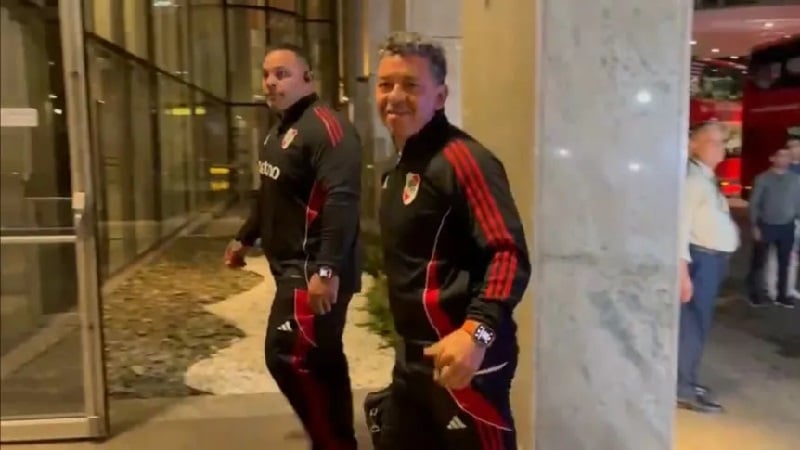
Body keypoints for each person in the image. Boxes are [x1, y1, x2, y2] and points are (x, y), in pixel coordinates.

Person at [363, 32, 530, 450]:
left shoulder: (465, 161)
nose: (394, 96)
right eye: (385, 84)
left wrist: (476, 334)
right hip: (413, 365)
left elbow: (508, 255)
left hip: (466, 366)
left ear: (440, 96)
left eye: (410, 85)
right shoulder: (397, 168)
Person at [224, 43, 362, 450]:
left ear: (307, 78)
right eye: (267, 74)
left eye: (282, 74)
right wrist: (245, 236)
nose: (270, 82)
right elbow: (271, 194)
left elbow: (342, 202)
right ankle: (338, 439)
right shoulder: (279, 130)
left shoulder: (328, 129)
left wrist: (326, 269)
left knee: (286, 355)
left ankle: (333, 444)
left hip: (312, 270)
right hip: (293, 268)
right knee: (323, 358)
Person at [677, 121, 740, 414]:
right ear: (694, 145)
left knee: (697, 325)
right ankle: (683, 388)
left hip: (710, 261)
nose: (721, 149)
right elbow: (680, 228)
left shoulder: (705, 177)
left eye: (722, 143)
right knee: (693, 326)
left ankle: (687, 380)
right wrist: (683, 274)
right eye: (714, 142)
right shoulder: (693, 180)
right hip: (701, 261)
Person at [747, 147, 800, 309]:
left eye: (787, 156)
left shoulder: (795, 179)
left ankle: (782, 296)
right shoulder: (762, 178)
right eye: (781, 156)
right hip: (766, 226)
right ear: (772, 158)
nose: (784, 159)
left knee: (785, 263)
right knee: (759, 263)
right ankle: (755, 295)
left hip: (787, 227)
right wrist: (755, 225)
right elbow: (754, 203)